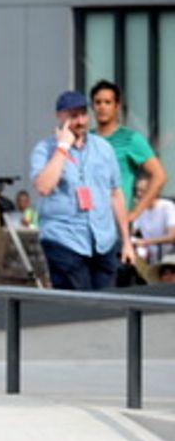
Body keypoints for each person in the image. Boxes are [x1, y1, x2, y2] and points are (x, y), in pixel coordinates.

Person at [31, 90, 135, 291]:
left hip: (103, 240)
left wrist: (126, 241)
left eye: (83, 114)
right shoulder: (44, 149)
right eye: (73, 116)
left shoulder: (103, 148)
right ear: (59, 116)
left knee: (108, 303)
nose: (80, 121)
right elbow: (43, 187)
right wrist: (62, 147)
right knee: (78, 304)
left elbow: (115, 193)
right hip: (64, 240)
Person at [90, 80, 167, 226]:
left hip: (116, 221)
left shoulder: (131, 139)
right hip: (88, 221)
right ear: (92, 106)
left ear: (117, 106)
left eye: (107, 102)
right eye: (98, 102)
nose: (102, 107)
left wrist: (135, 212)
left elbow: (159, 176)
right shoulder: (86, 139)